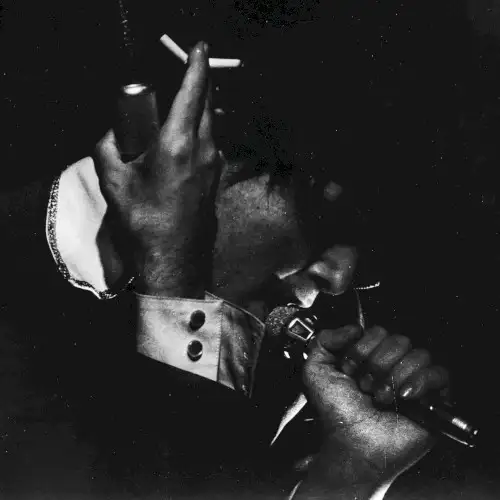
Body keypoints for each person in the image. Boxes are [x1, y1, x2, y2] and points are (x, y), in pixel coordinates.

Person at [0, 41, 451, 499]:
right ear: (187, 138)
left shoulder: (281, 370)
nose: (337, 280)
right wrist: (174, 280)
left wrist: (352, 473)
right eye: (322, 216)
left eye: (370, 257)